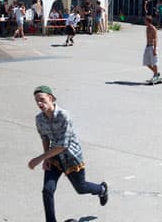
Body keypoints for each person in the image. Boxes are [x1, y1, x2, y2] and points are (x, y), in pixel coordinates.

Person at [28, 85, 108, 222]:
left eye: (42, 99)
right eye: (37, 101)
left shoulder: (64, 116)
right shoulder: (39, 119)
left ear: (50, 98)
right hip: (54, 158)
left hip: (71, 158)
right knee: (47, 190)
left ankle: (101, 189)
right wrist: (46, 158)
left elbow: (62, 146)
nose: (39, 103)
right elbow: (45, 137)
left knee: (81, 188)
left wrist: (39, 159)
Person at [144, 15, 161, 84]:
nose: (144, 22)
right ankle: (156, 73)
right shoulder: (147, 28)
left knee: (154, 63)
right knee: (146, 63)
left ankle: (155, 75)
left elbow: (155, 39)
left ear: (148, 21)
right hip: (147, 47)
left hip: (152, 47)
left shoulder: (153, 29)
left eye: (145, 21)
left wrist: (154, 49)